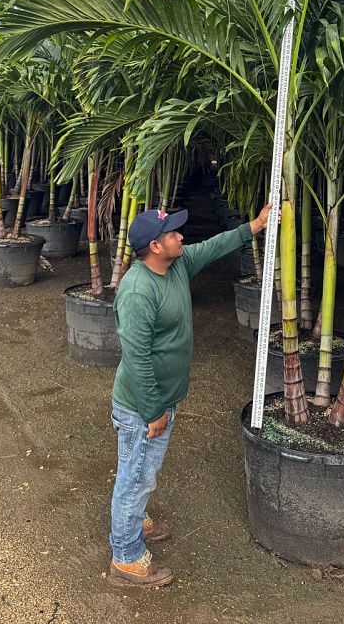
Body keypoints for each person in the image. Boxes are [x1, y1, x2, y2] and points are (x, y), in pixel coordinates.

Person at [108, 201, 274, 586]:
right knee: (136, 478)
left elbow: (215, 246)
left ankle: (135, 521)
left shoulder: (176, 264)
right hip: (141, 406)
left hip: (158, 400)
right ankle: (126, 558)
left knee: (136, 473)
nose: (182, 236)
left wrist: (255, 226)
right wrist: (153, 412)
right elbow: (136, 358)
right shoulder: (137, 291)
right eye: (173, 234)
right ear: (154, 246)